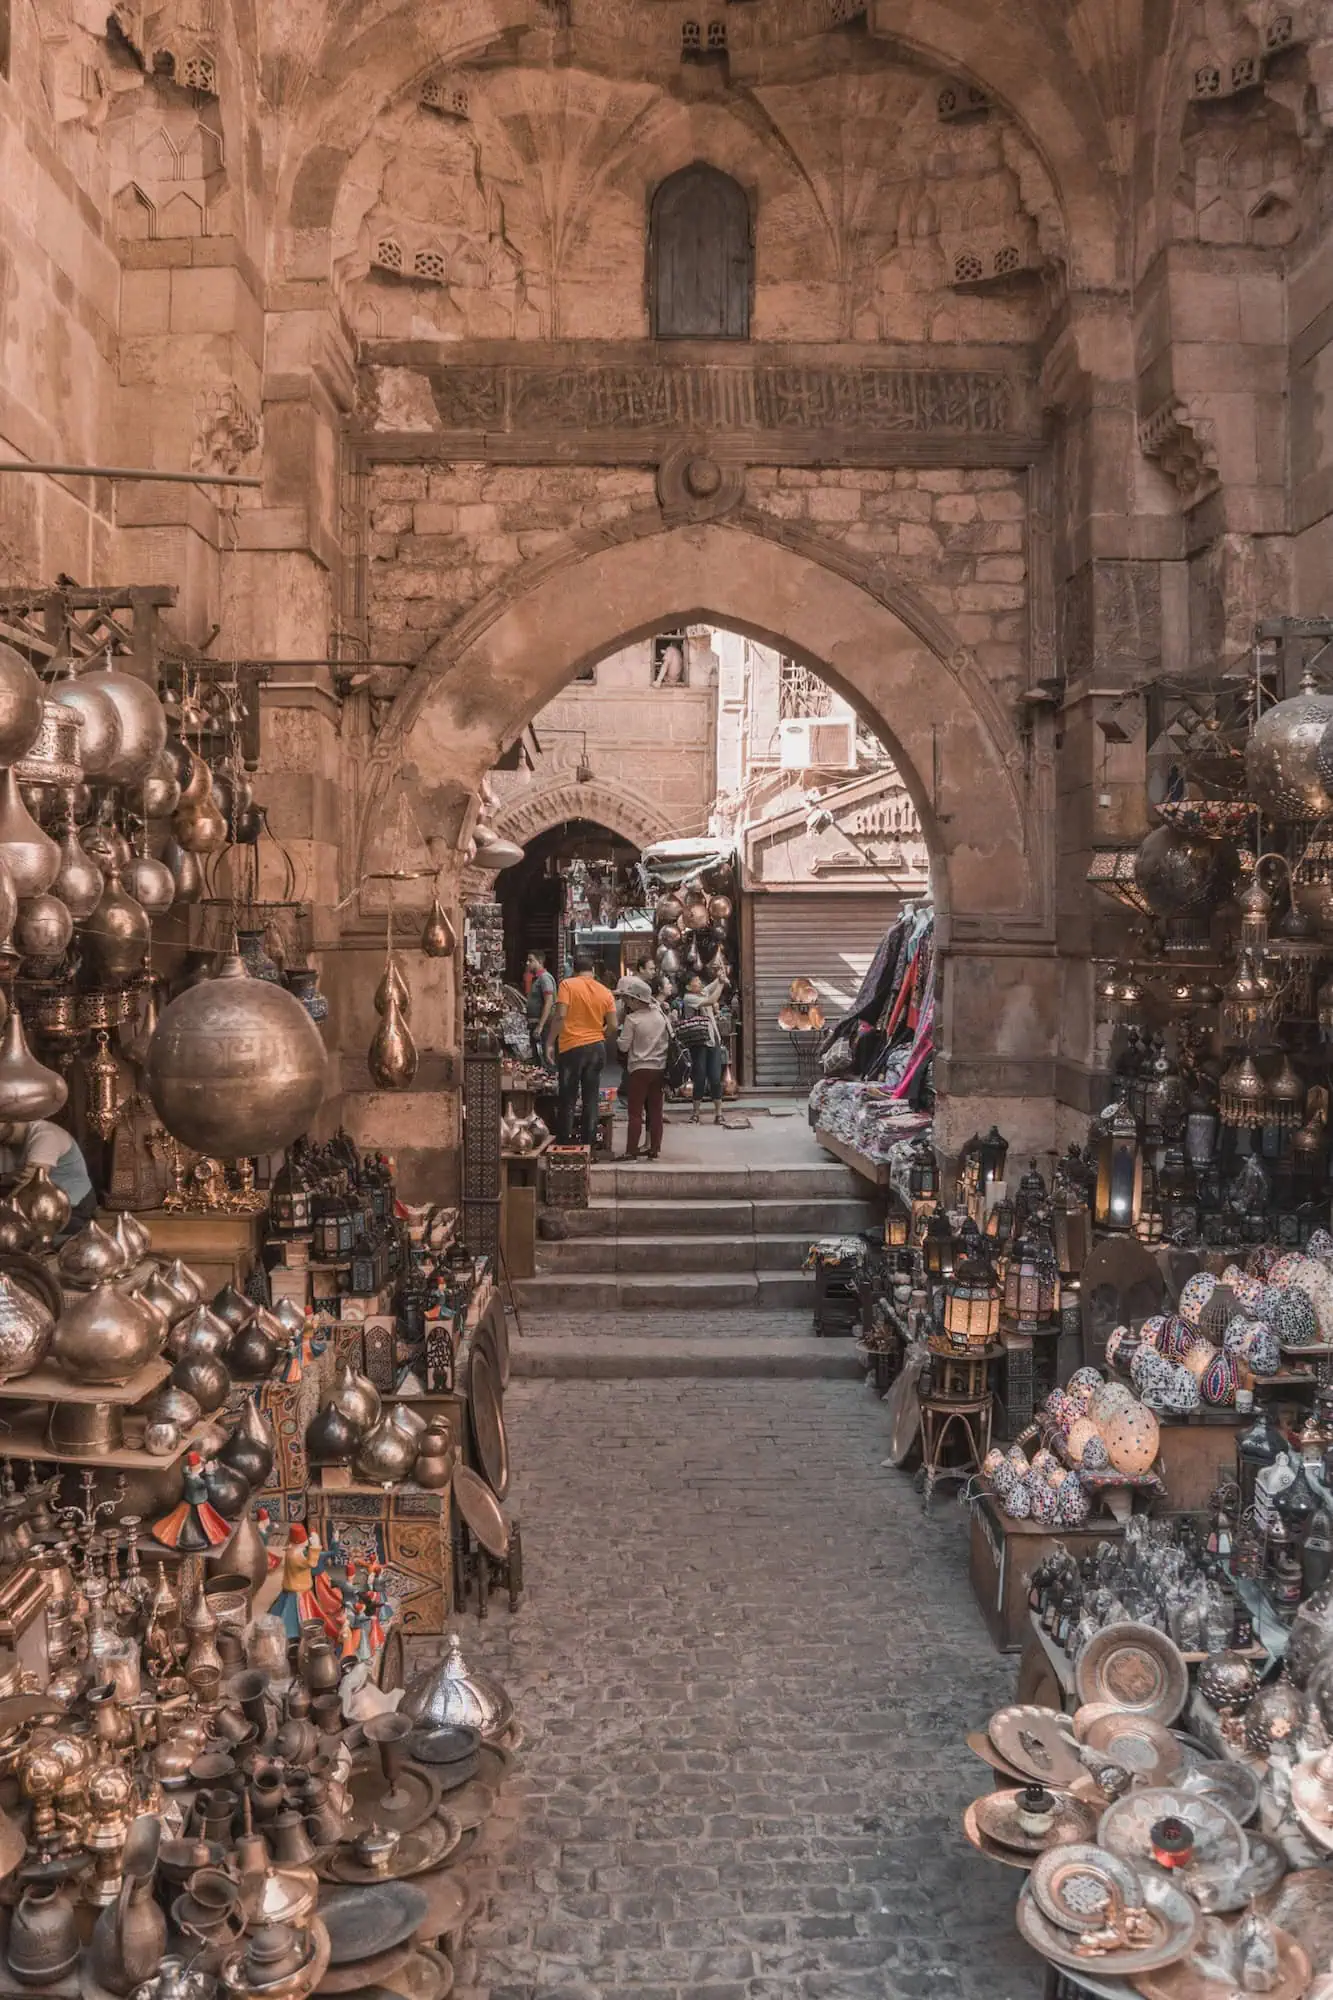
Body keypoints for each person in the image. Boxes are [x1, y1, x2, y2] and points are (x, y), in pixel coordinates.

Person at [550, 951, 617, 1144]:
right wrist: (599, 1035)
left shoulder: (567, 985)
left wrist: (549, 1042)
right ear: (593, 971)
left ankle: (564, 1144)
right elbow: (613, 1024)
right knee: (591, 1098)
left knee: (568, 1099)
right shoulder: (605, 991)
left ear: (574, 970)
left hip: (571, 1048)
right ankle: (588, 1146)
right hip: (596, 1048)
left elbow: (561, 1015)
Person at [0, 1119, 96, 1231]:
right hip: (41, 1201)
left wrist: (4, 1210)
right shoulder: (9, 1139)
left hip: (73, 1206)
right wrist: (7, 1178)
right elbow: (17, 1177)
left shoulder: (45, 1135)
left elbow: (32, 1183)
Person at [616, 975, 670, 1160]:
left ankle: (631, 1151)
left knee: (635, 1113)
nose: (625, 1002)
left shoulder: (632, 1020)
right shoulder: (660, 1015)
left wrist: (617, 1037)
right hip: (659, 1068)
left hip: (639, 1069)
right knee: (656, 1111)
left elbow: (623, 1046)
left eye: (626, 999)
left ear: (634, 999)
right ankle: (655, 1149)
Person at [683, 974, 726, 1124]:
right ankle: (695, 1113)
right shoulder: (689, 998)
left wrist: (720, 978)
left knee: (715, 1078)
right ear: (688, 986)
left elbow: (712, 986)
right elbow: (712, 999)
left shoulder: (702, 992)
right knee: (699, 1077)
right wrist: (721, 985)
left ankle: (719, 1114)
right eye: (696, 981)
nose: (700, 983)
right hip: (699, 1042)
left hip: (713, 1041)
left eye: (700, 980)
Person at [524, 949, 556, 1064]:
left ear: (540, 961)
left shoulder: (544, 978)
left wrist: (540, 1026)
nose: (528, 963)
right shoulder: (537, 979)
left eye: (531, 960)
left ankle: (550, 1078)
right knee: (538, 1056)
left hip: (543, 1025)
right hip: (536, 1023)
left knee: (544, 1057)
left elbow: (549, 1002)